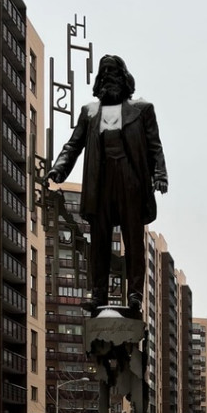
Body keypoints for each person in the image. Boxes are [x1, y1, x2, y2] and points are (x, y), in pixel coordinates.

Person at [46, 54, 168, 318]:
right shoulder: (89, 113)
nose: (109, 76)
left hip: (131, 180)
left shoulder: (143, 110)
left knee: (133, 240)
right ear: (99, 79)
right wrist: (59, 168)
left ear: (124, 78)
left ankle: (135, 295)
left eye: (114, 71)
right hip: (100, 181)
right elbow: (73, 145)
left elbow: (154, 146)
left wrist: (160, 175)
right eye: (105, 72)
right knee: (99, 239)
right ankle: (98, 293)